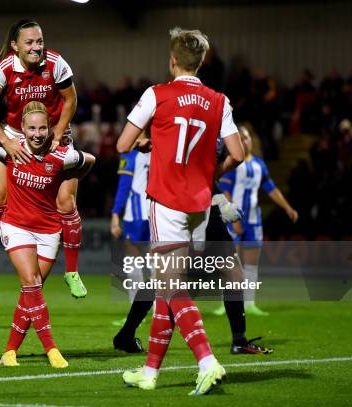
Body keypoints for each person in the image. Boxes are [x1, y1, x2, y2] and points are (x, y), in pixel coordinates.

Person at [116, 27, 245, 395]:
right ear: (201, 62)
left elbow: (124, 143)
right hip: (201, 207)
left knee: (170, 288)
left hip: (168, 203)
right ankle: (150, 372)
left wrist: (147, 142)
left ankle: (206, 360)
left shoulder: (156, 94)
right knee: (165, 288)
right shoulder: (219, 100)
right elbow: (237, 153)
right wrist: (209, 174)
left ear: (172, 60)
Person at [112, 136, 273, 356]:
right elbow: (225, 161)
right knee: (168, 279)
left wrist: (219, 200)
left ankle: (238, 340)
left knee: (231, 275)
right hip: (186, 205)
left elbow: (209, 171)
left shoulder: (209, 121)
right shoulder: (200, 119)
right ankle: (130, 337)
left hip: (201, 203)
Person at [0, 19, 87, 298]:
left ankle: (72, 271)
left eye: (39, 41)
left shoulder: (56, 63)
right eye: (29, 42)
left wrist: (58, 134)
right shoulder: (5, 68)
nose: (36, 47)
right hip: (17, 137)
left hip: (53, 134)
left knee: (66, 202)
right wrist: (6, 141)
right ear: (15, 46)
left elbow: (71, 100)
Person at [0, 101, 95, 368]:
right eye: (32, 128)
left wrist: (69, 177)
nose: (38, 133)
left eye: (43, 128)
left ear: (50, 129)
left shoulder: (61, 155)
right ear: (23, 129)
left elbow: (90, 161)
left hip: (49, 230)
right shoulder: (12, 150)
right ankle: (52, 349)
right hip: (15, 225)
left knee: (32, 290)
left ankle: (9, 352)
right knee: (31, 283)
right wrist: (1, 155)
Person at [218, 125, 298, 315]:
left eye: (247, 138)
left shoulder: (259, 165)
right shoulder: (232, 163)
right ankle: (225, 303)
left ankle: (250, 303)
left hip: (253, 220)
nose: (246, 141)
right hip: (234, 219)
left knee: (252, 264)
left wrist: (288, 208)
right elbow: (225, 191)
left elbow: (271, 189)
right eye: (242, 138)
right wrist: (233, 218)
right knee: (231, 263)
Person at [110, 148, 150, 352]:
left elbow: (124, 187)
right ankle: (158, 312)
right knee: (156, 268)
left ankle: (135, 317)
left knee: (134, 264)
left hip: (135, 215)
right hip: (156, 213)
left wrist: (115, 214)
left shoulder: (130, 156)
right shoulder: (160, 150)